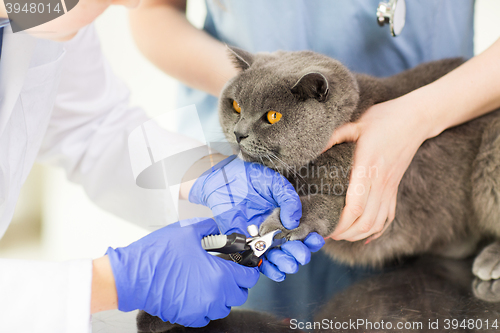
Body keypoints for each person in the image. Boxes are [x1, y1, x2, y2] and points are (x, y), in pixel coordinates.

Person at [129, 0, 496, 318]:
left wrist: (418, 117)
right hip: (254, 114)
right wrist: (258, 86)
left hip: (453, 101)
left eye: (265, 116)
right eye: (237, 110)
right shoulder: (249, 128)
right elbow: (152, 11)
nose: (241, 129)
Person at [0, 1, 324, 331]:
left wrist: (211, 176)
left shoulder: (39, 18)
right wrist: (114, 282)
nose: (132, 3)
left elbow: (93, 127)